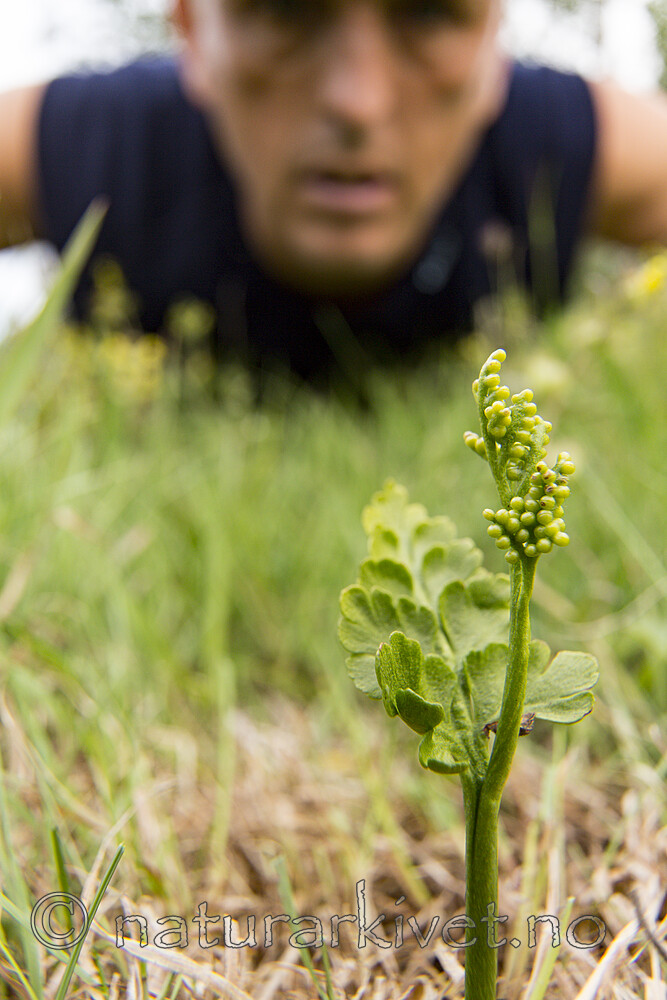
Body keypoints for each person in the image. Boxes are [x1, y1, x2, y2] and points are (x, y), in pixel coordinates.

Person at [2, 0, 667, 382]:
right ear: (193, 33)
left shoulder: (559, 145)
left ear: (492, 40)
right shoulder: (103, 144)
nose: (358, 102)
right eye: (286, 11)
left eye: (429, 13)